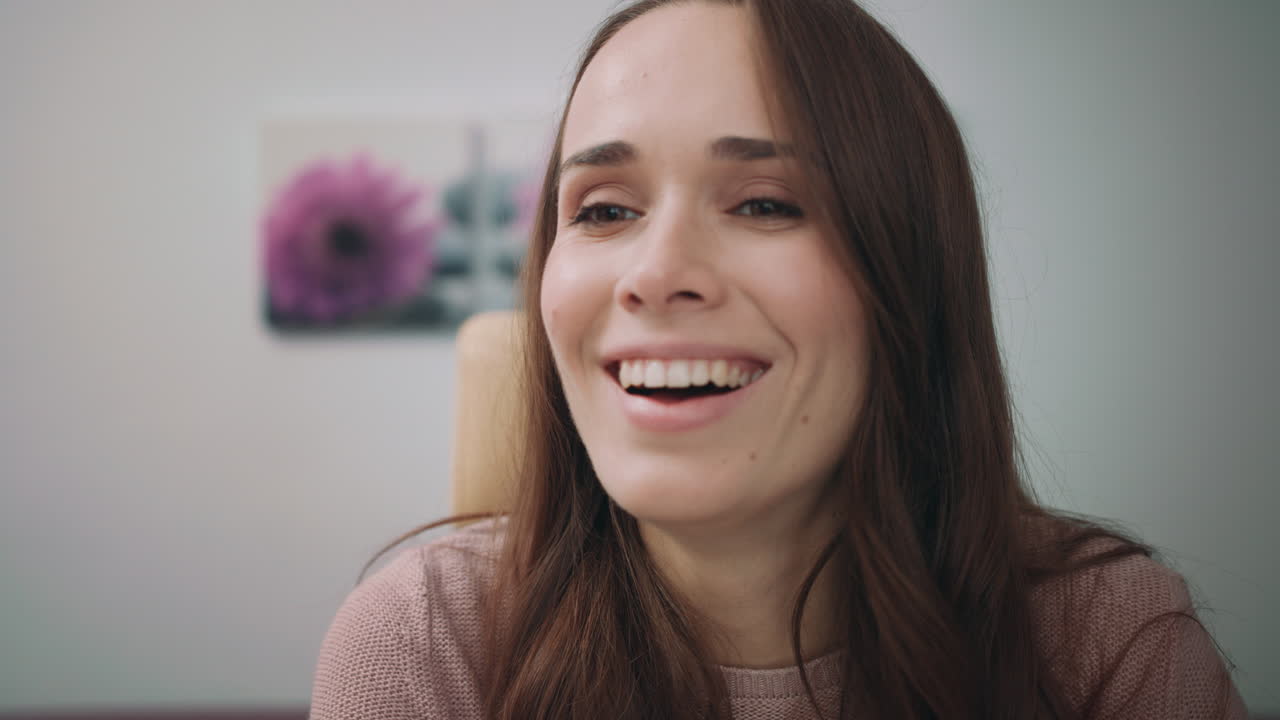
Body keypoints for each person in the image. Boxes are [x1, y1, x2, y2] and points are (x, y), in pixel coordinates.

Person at [309, 0, 1248, 718]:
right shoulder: (422, 652)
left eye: (764, 203)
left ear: (908, 276)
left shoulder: (1109, 647)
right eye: (604, 209)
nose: (655, 274)